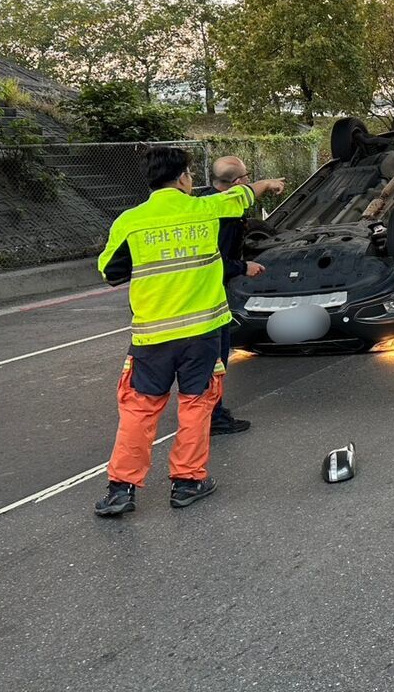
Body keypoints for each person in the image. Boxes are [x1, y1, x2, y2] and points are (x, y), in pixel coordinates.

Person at [93, 146, 284, 516]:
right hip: (203, 334)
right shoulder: (206, 209)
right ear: (182, 178)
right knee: (196, 406)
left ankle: (121, 490)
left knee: (139, 411)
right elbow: (244, 194)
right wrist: (266, 184)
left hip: (152, 337)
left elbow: (110, 271)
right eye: (191, 176)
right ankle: (187, 482)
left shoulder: (130, 221)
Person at [194, 154, 267, 435]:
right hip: (208, 301)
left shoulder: (203, 203)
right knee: (214, 360)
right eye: (247, 176)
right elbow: (215, 261)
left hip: (182, 304)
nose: (249, 180)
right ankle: (212, 417)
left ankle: (208, 412)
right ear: (237, 183)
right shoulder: (224, 215)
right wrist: (242, 267)